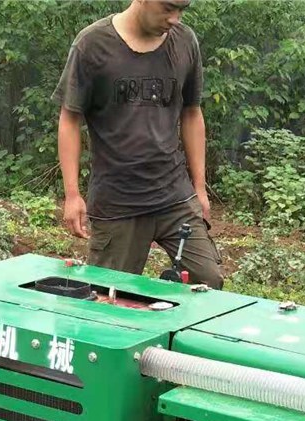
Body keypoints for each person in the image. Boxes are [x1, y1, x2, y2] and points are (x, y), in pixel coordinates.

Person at [53, 0, 223, 289]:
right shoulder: (92, 44)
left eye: (182, 9)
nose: (175, 18)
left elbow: (192, 113)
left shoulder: (185, 42)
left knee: (207, 282)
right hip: (118, 202)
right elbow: (70, 120)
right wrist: (72, 194)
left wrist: (199, 187)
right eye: (168, 8)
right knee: (108, 297)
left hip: (174, 196)